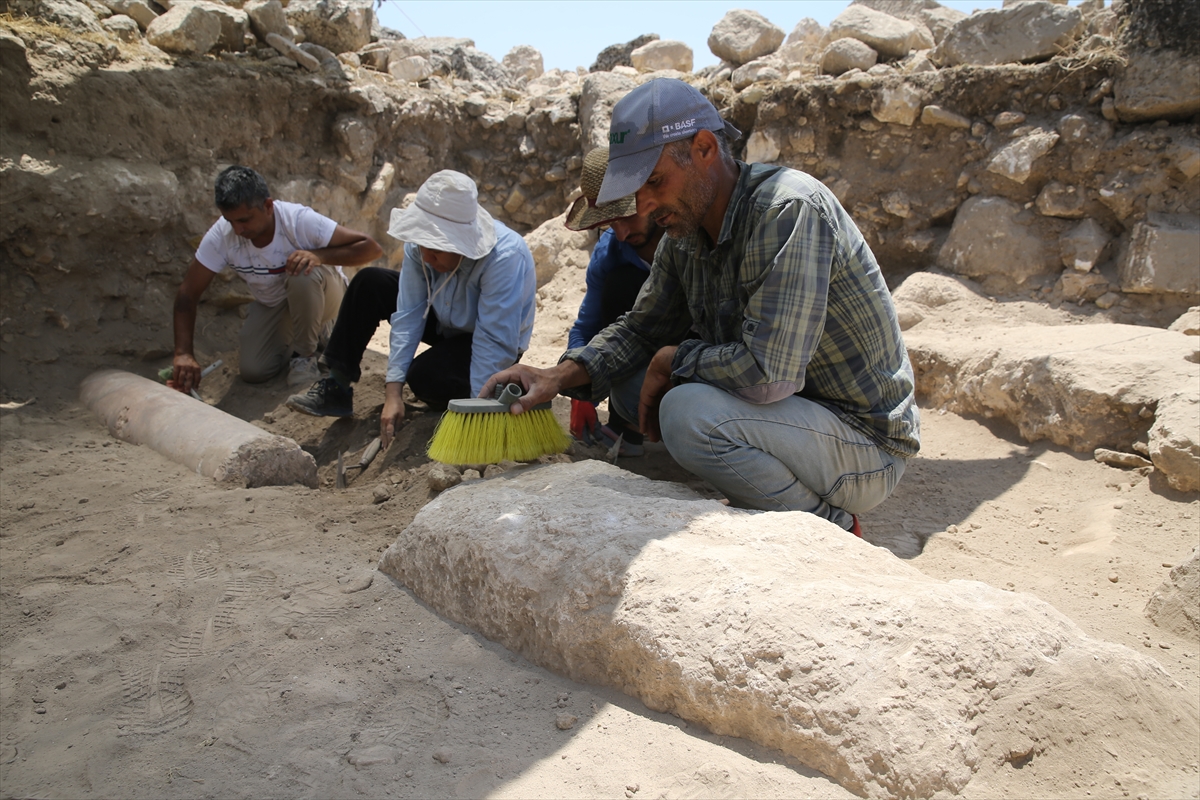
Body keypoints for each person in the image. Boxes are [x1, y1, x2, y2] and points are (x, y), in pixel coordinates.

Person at [484, 78, 920, 536]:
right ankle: (748, 474)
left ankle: (830, 526)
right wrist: (556, 376)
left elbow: (769, 374)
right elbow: (640, 329)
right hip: (790, 421)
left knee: (685, 411)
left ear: (705, 148)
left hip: (863, 445)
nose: (646, 205)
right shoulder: (685, 230)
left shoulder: (786, 210)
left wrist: (673, 360)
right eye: (638, 187)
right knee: (633, 387)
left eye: (654, 181)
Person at [286, 170, 536, 452]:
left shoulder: (504, 256)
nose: (426, 258)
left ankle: (494, 391)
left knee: (425, 377)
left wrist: (479, 416)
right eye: (423, 248)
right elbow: (408, 314)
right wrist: (393, 393)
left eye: (437, 251)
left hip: (488, 338)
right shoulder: (420, 249)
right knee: (370, 283)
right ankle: (337, 385)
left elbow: (492, 341)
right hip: (443, 319)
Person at [170, 165, 382, 394]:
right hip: (276, 304)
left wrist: (319, 256)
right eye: (230, 221)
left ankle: (306, 355)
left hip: (323, 294)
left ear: (268, 206)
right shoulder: (223, 235)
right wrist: (183, 353)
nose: (238, 230)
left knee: (301, 270)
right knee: (255, 371)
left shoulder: (298, 221)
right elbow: (187, 293)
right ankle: (306, 334)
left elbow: (371, 248)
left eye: (245, 220)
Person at [563, 145, 666, 457]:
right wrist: (579, 392)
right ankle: (627, 424)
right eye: (609, 223)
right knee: (619, 285)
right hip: (638, 348)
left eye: (627, 217)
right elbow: (587, 326)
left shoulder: (686, 237)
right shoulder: (610, 253)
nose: (620, 234)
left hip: (690, 353)